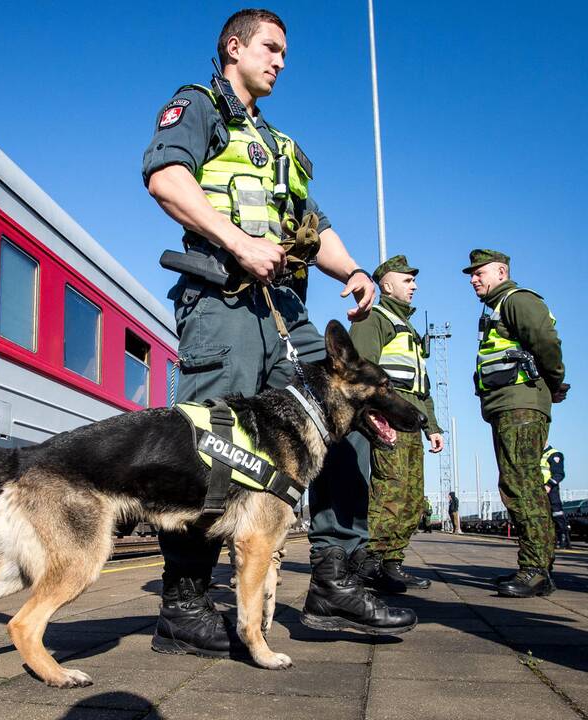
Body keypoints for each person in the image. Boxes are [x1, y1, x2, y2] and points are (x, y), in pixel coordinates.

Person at [142, 8, 415, 656]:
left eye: (286, 53)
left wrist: (351, 270)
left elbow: (313, 230)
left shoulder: (282, 147)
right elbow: (165, 178)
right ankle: (183, 602)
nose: (281, 61)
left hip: (286, 313)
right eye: (271, 48)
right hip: (223, 306)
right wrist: (238, 241)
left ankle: (336, 578)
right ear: (234, 47)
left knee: (347, 415)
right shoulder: (198, 105)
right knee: (211, 449)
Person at [464, 249, 568, 597]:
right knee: (515, 481)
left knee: (522, 483)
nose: (474, 279)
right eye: (472, 274)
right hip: (507, 405)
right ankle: (535, 567)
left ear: (501, 271)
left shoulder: (517, 300)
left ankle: (536, 570)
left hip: (521, 405)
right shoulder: (495, 308)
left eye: (480, 273)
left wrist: (552, 382)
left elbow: (546, 341)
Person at [348, 255, 443, 592]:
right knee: (390, 490)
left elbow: (421, 384)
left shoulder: (409, 329)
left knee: (412, 497)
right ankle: (369, 563)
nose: (414, 285)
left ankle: (392, 563)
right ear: (386, 284)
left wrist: (432, 426)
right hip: (388, 420)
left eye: (414, 281)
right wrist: (374, 418)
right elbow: (361, 373)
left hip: (410, 420)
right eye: (407, 280)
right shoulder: (374, 318)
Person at [541, 446, 571, 549]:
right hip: (538, 489)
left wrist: (549, 485)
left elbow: (559, 474)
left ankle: (563, 539)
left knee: (556, 513)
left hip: (550, 489)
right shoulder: (536, 454)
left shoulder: (553, 454)